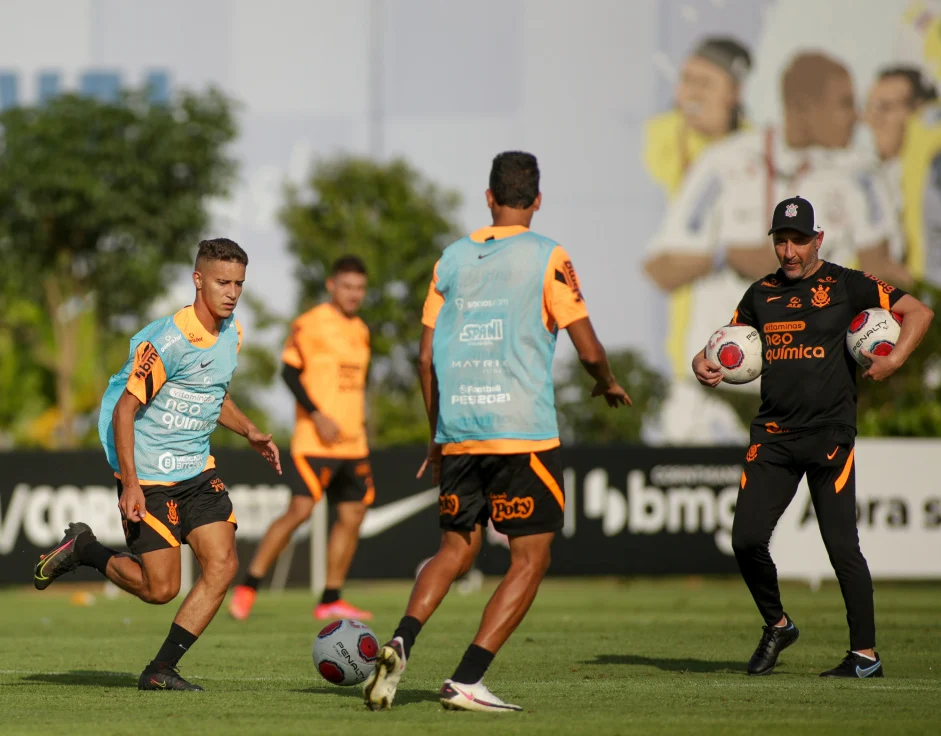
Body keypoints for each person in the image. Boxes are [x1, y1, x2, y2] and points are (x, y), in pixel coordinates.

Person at [363, 151, 631, 713]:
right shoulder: (548, 255)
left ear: (488, 197)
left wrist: (437, 434)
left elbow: (423, 358)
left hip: (459, 427)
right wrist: (606, 382)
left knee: (454, 549)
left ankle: (400, 641)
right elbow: (589, 348)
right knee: (530, 559)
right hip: (520, 433)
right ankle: (467, 678)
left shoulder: (453, 258)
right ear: (536, 200)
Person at [692, 196, 934, 678]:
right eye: (781, 240)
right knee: (745, 540)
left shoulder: (847, 284)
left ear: (817, 239)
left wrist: (895, 358)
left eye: (798, 240)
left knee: (842, 547)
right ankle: (777, 624)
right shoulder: (759, 294)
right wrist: (701, 363)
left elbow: (919, 312)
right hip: (774, 437)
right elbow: (724, 346)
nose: (789, 251)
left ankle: (865, 657)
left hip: (829, 433)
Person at [32, 238, 281, 691]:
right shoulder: (167, 340)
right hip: (149, 478)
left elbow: (212, 392)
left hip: (197, 472)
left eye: (239, 284)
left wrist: (250, 431)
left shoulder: (233, 333)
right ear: (198, 280)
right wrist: (129, 485)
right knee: (160, 590)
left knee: (222, 565)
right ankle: (85, 549)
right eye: (222, 282)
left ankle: (160, 670)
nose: (231, 292)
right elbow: (126, 410)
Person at [646, 51, 908, 445]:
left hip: (811, 389)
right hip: (719, 389)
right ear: (801, 107)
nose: (855, 116)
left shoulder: (860, 176)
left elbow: (885, 272)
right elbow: (661, 268)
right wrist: (725, 256)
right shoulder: (724, 163)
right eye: (843, 103)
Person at [229, 255, 375, 621]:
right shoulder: (311, 324)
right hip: (314, 440)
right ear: (332, 285)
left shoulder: (362, 330)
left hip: (353, 443)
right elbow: (289, 373)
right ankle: (248, 587)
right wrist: (316, 414)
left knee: (353, 514)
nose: (354, 294)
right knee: (300, 511)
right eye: (347, 286)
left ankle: (330, 597)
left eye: (360, 288)